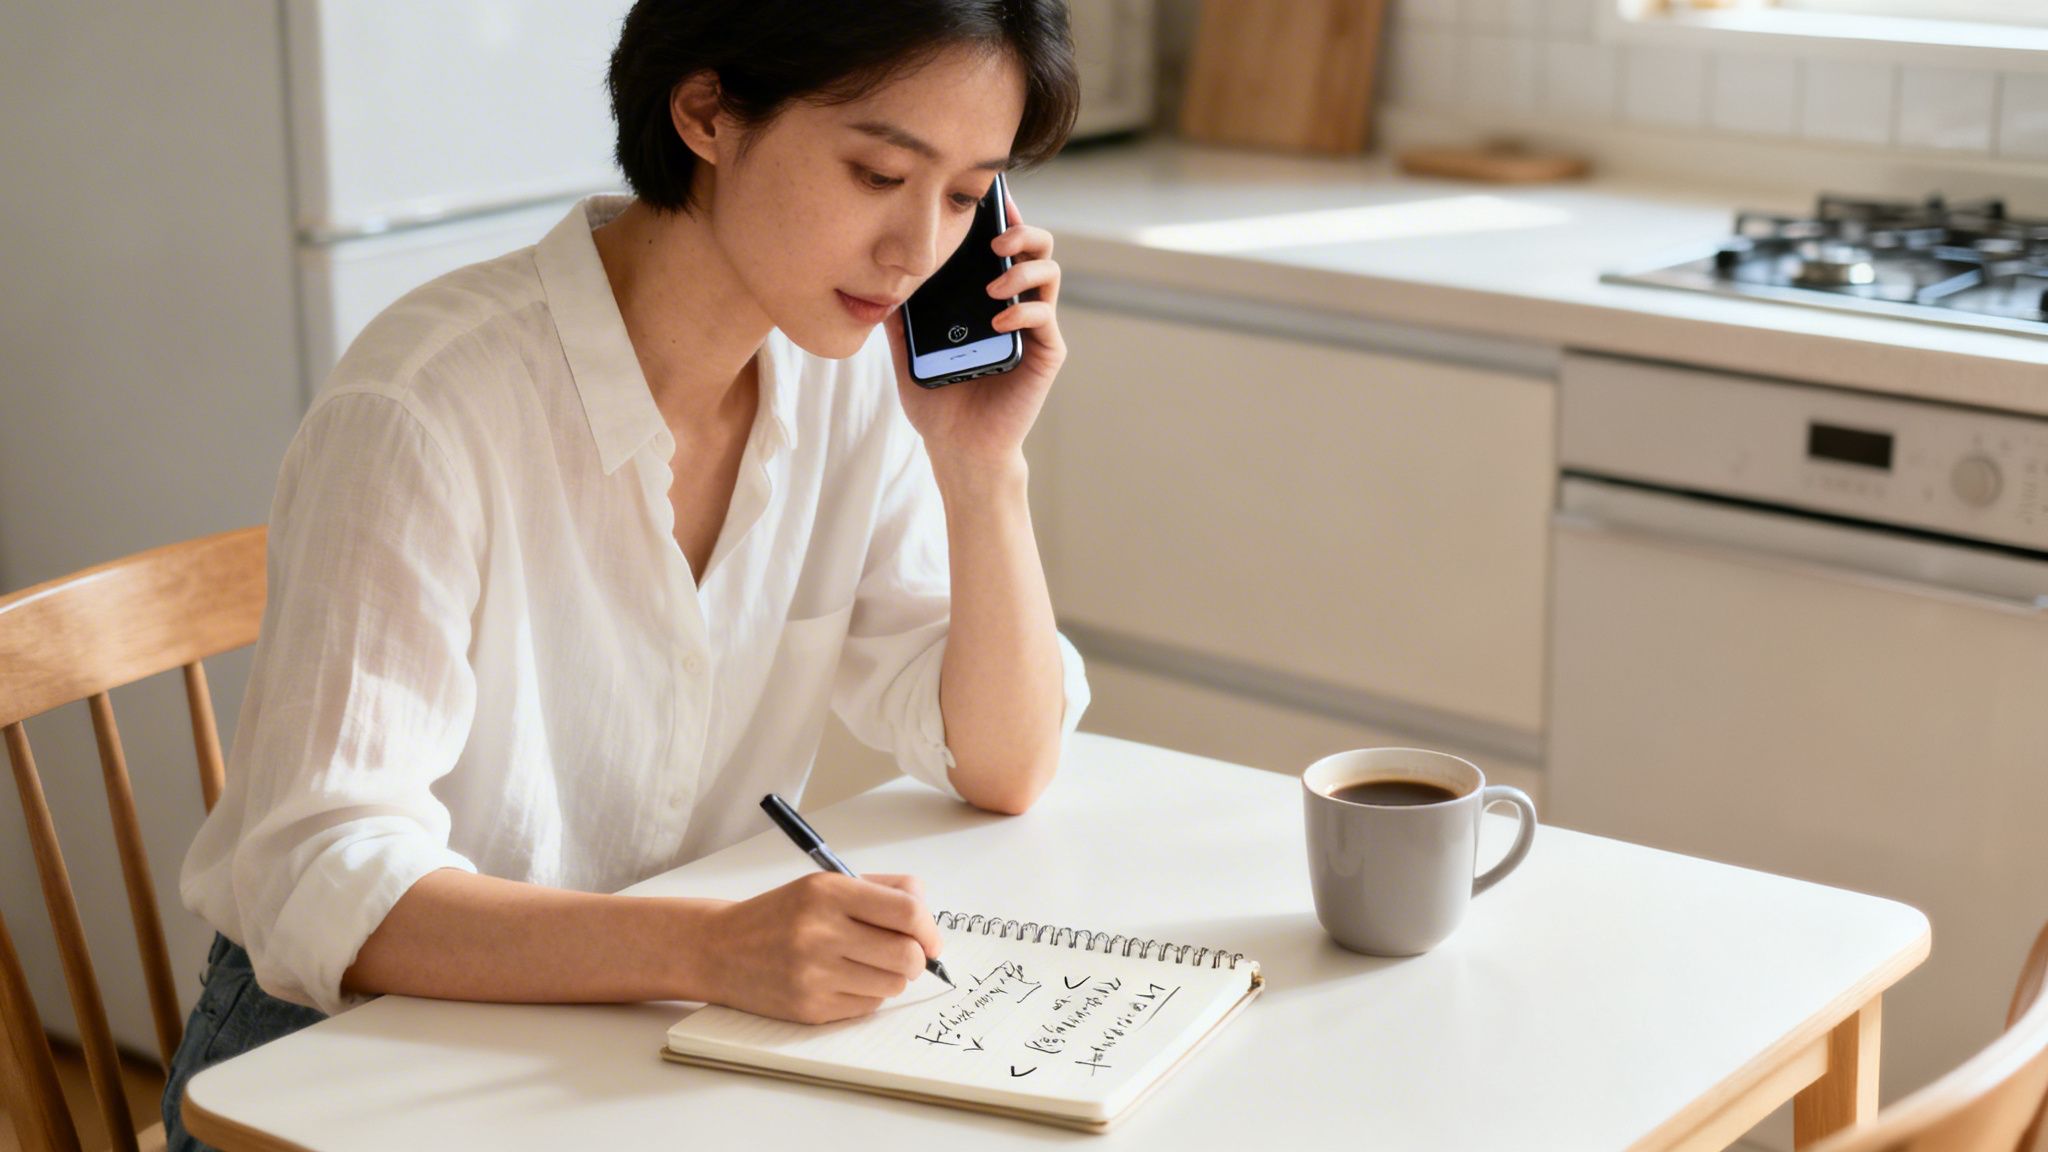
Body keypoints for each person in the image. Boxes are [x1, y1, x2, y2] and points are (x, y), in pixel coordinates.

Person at [161, 2, 1088, 1146]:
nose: (917, 253)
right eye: (874, 173)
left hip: (628, 1042)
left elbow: (1002, 762)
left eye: (962, 196)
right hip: (344, 1061)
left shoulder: (848, 379)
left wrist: (982, 468)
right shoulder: (425, 408)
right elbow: (320, 873)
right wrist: (707, 947)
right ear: (705, 111)